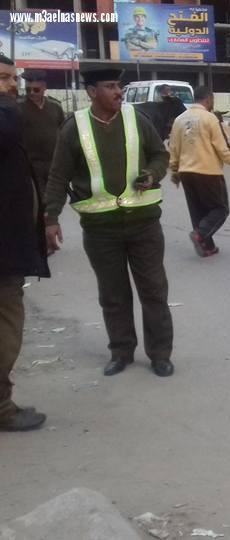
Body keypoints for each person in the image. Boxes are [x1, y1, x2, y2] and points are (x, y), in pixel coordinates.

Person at [44, 68, 175, 378]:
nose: (118, 92)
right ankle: (121, 351)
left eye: (119, 86)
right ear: (91, 92)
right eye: (110, 86)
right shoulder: (73, 128)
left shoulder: (137, 120)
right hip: (100, 229)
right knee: (113, 295)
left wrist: (152, 174)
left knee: (154, 291)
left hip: (144, 224)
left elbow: (160, 156)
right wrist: (50, 218)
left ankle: (160, 354)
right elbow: (58, 175)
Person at [0, 54, 50, 431]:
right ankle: (1, 408)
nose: (11, 85)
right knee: (6, 327)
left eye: (11, 78)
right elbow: (8, 130)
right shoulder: (8, 117)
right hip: (3, 254)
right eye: (3, 79)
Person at [169, 86, 230, 257]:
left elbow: (173, 148)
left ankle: (207, 247)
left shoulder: (179, 120)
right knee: (220, 209)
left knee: (198, 211)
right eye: (212, 101)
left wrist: (175, 171)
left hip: (186, 172)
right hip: (208, 172)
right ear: (209, 99)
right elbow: (222, 147)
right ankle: (199, 235)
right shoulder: (210, 119)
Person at [18, 70, 65, 196]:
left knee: (52, 198)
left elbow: (63, 132)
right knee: (36, 198)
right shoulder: (19, 107)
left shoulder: (55, 107)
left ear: (44, 88)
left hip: (53, 163)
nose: (32, 93)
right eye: (28, 90)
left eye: (36, 89)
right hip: (30, 165)